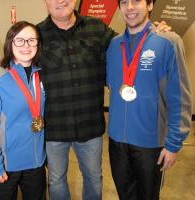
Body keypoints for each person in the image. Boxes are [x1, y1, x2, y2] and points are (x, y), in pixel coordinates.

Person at [37, 0, 171, 199]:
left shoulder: (97, 29)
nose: (60, 1)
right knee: (56, 180)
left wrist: (153, 29)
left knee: (93, 177)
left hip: (90, 127)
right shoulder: (36, 35)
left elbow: (130, 44)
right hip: (54, 128)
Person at [106, 0, 192, 200]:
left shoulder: (168, 42)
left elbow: (180, 97)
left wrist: (172, 144)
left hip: (150, 143)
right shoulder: (113, 45)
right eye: (124, 2)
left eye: (137, 1)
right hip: (117, 142)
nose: (130, 8)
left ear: (150, 5)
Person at [0, 21, 46, 200]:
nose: (26, 45)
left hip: (35, 162)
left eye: (31, 40)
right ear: (10, 43)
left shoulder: (39, 75)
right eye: (20, 40)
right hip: (7, 165)